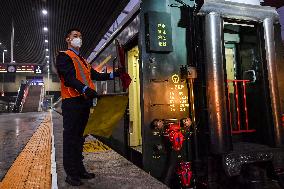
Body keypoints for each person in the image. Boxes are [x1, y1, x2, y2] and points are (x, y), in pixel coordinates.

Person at [56, 28, 118, 186]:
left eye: (80, 36)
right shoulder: (64, 56)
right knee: (71, 139)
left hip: (83, 102)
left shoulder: (83, 60)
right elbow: (69, 78)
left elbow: (96, 76)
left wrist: (115, 74)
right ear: (68, 39)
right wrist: (85, 89)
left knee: (80, 138)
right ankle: (71, 174)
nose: (78, 39)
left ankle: (80, 169)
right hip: (72, 102)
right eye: (75, 36)